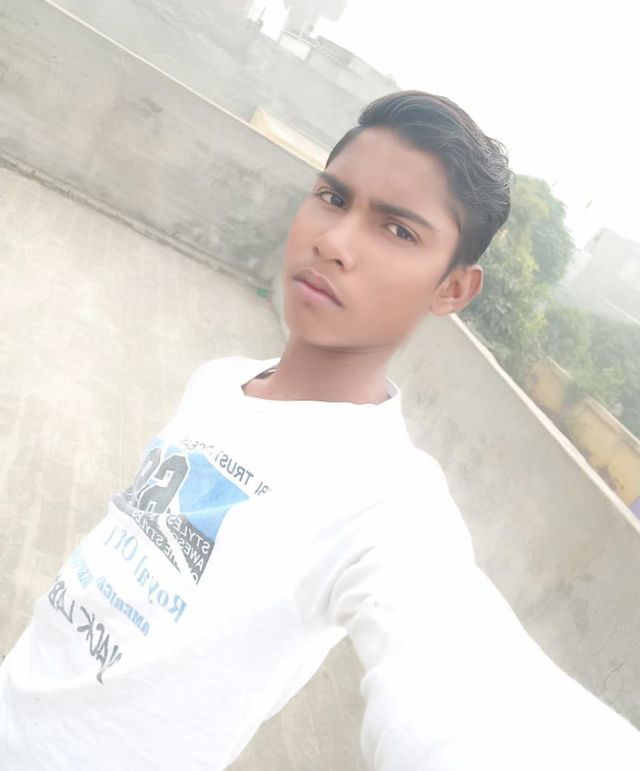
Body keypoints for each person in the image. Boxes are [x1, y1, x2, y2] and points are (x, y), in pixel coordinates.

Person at [0, 91, 638, 770]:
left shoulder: (387, 501)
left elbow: (472, 688)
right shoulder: (218, 381)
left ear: (452, 288)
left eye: (398, 230)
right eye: (333, 198)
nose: (332, 242)